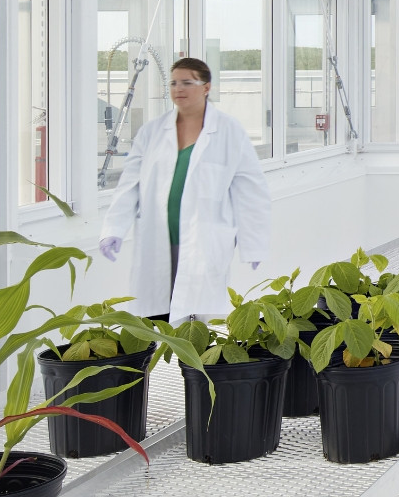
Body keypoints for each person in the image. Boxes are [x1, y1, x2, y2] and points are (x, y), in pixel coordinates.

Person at [98, 57, 271, 321]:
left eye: (187, 82)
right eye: (174, 83)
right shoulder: (152, 132)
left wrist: (254, 242)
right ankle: (152, 362)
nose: (178, 89)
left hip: (202, 239)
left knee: (196, 321)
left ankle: (192, 363)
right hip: (158, 238)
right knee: (154, 316)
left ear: (206, 87)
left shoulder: (228, 131)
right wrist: (113, 229)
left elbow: (250, 191)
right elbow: (129, 185)